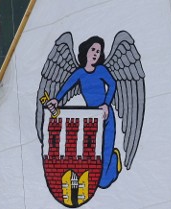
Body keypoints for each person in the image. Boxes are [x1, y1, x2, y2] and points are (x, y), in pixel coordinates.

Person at [44, 35, 121, 188]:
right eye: (93, 49)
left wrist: (106, 104)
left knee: (103, 182)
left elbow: (112, 85)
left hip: (106, 117)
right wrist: (56, 100)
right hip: (91, 120)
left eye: (98, 52)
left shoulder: (101, 70)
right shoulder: (80, 73)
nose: (95, 54)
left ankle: (115, 159)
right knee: (92, 170)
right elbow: (66, 87)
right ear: (86, 51)